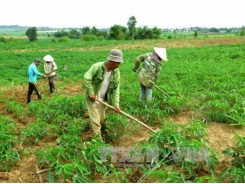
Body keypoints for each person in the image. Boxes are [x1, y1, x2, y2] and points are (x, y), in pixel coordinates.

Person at [83, 49, 123, 140]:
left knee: (101, 121)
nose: (119, 65)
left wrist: (116, 104)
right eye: (118, 63)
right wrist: (91, 93)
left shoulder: (116, 72)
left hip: (102, 100)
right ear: (112, 61)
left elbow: (116, 90)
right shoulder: (97, 67)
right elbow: (86, 78)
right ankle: (98, 141)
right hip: (92, 99)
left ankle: (103, 132)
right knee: (96, 122)